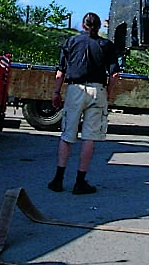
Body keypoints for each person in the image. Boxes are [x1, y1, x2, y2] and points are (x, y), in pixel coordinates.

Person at [48, 12, 120, 194]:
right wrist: (108, 94)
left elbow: (60, 71)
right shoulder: (106, 45)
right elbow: (114, 75)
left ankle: (58, 179)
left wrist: (56, 92)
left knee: (67, 134)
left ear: (82, 24)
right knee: (89, 137)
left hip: (75, 89)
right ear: (99, 27)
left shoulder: (71, 42)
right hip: (97, 91)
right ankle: (80, 181)